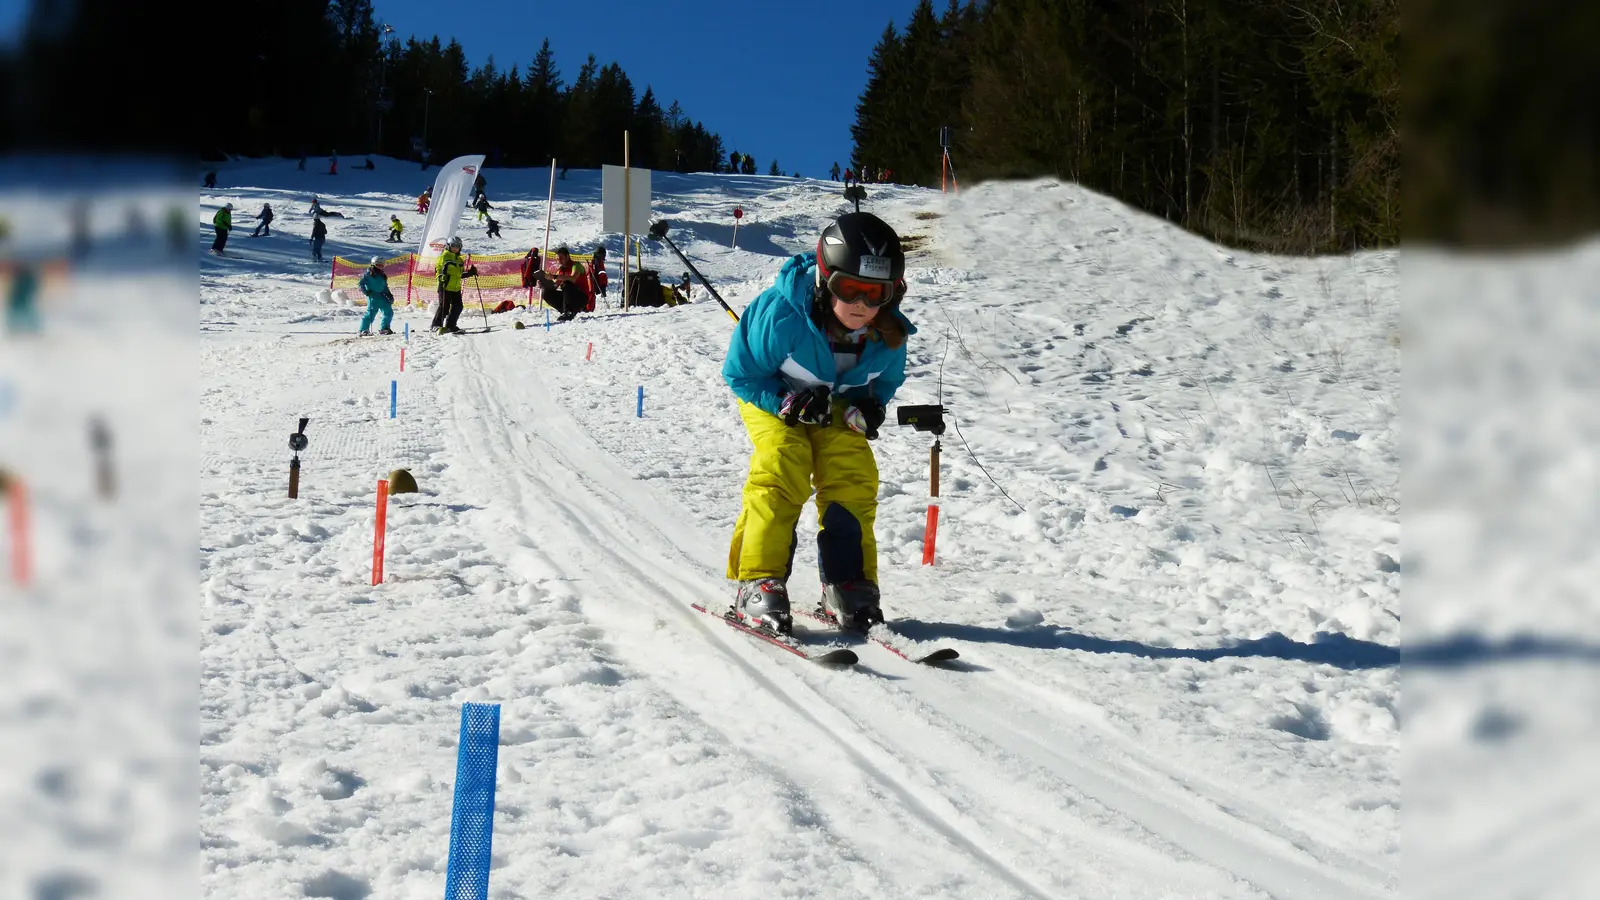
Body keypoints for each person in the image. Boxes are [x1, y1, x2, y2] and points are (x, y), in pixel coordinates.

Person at [721, 212, 911, 636]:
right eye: (850, 289)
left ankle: (847, 583)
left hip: (834, 408)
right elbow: (742, 374)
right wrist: (785, 401)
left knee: (853, 472)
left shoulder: (887, 333)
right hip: (770, 397)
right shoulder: (781, 316)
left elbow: (886, 382)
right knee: (784, 461)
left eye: (875, 293)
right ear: (827, 281)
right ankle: (758, 580)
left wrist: (870, 407)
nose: (862, 305)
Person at [429, 235, 476, 334]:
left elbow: (460, 274)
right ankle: (435, 325)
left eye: (458, 246)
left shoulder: (459, 260)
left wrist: (470, 273)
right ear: (448, 246)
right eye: (453, 245)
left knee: (458, 306)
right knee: (444, 307)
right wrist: (441, 277)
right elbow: (438, 269)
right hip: (445, 285)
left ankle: (451, 325)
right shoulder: (444, 256)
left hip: (456, 287)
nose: (455, 248)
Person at [537, 245, 590, 321]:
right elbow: (555, 286)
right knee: (546, 292)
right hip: (569, 297)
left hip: (581, 297)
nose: (559, 261)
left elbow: (573, 278)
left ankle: (568, 312)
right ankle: (565, 311)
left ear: (567, 256)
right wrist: (544, 285)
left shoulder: (576, 265)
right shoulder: (561, 269)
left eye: (561, 258)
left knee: (566, 284)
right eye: (558, 259)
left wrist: (554, 276)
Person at [358, 257, 396, 335]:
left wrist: (389, 295)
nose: (380, 267)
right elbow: (361, 284)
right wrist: (366, 292)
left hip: (382, 296)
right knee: (371, 313)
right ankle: (363, 329)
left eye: (382, 265)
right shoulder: (368, 274)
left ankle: (384, 328)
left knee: (388, 312)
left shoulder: (382, 275)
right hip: (373, 296)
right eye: (378, 265)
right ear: (374, 265)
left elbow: (385, 287)